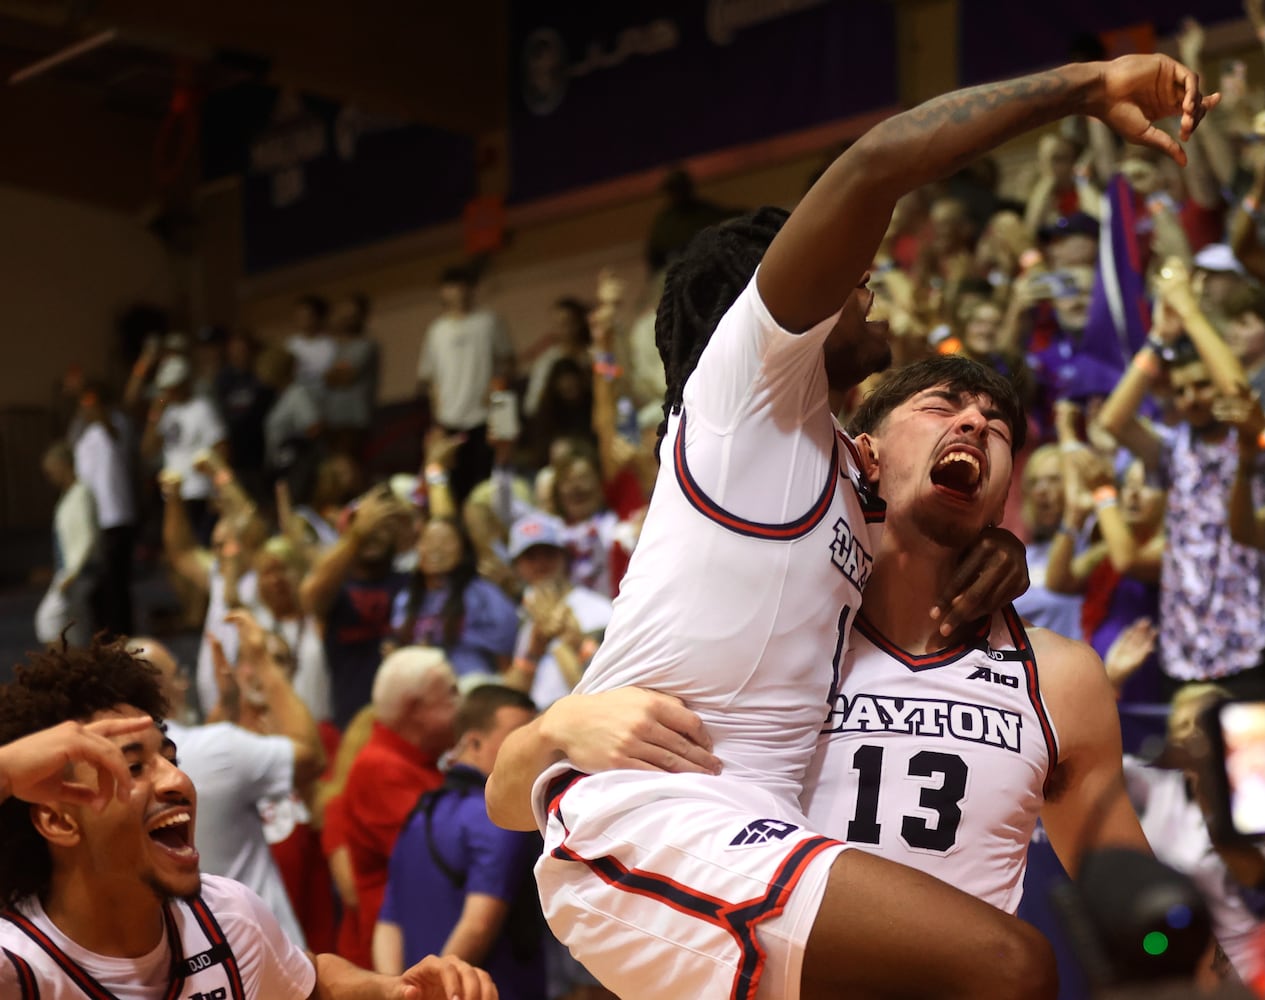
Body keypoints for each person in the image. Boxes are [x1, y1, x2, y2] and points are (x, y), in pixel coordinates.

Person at [489, 53, 1215, 1000]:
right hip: (656, 822)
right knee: (1008, 963)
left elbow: (916, 521)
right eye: (845, 272)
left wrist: (991, 543)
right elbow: (876, 164)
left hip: (741, 840)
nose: (865, 278)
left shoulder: (828, 471)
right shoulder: (744, 388)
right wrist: (1081, 88)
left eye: (993, 423)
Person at [801, 360, 1153, 916]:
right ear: (864, 454)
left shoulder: (1060, 677)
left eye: (997, 428)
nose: (973, 424)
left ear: (1000, 500)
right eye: (940, 407)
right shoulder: (782, 630)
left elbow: (1140, 905)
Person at [0, 637, 496, 998]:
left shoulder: (227, 915)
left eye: (170, 758)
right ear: (58, 822)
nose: (176, 781)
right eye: (131, 767)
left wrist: (394, 992)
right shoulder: (17, 966)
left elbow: (308, 980)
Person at [132, 630, 324, 947]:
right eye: (178, 675)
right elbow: (311, 756)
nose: (185, 684)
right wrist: (263, 660)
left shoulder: (103, 768)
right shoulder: (219, 747)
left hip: (198, 956)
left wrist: (227, 710)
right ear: (157, 689)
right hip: (269, 953)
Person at [374, 685, 546, 1000]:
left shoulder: (419, 812)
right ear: (474, 742)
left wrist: (398, 990)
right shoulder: (502, 819)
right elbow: (478, 925)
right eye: (517, 736)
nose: (530, 750)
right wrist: (435, 990)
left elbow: (387, 924)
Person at [343, 647, 460, 969]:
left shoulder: (414, 760)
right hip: (400, 962)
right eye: (451, 694)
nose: (461, 705)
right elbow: (445, 856)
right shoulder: (380, 769)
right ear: (416, 709)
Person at [416, 266, 515, 504]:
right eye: (451, 286)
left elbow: (508, 364)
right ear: (442, 292)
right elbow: (430, 378)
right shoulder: (436, 330)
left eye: (463, 285)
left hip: (487, 417)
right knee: (453, 486)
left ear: (472, 289)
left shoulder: (489, 321)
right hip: (450, 420)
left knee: (490, 483)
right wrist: (437, 420)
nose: (458, 292)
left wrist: (498, 402)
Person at [36, 442, 99, 648]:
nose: (50, 477)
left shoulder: (82, 494)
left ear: (63, 465)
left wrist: (72, 571)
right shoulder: (69, 495)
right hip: (69, 570)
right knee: (75, 627)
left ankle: (63, 666)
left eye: (52, 470)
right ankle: (73, 669)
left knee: (49, 619)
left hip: (76, 572)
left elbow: (87, 537)